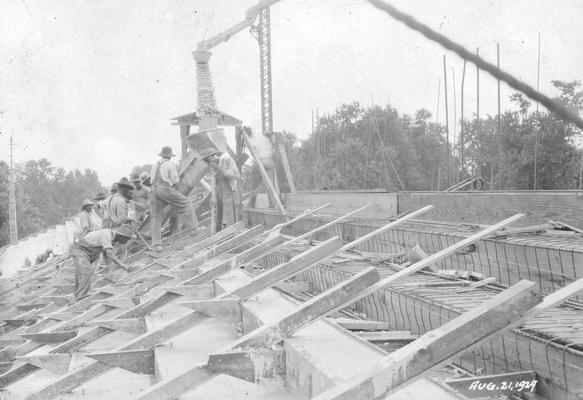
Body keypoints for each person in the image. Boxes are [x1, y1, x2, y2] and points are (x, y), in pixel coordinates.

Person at [69, 224, 134, 301]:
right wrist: (123, 266)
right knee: (87, 272)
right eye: (126, 239)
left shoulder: (110, 237)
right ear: (121, 236)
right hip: (79, 250)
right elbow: (109, 254)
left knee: (80, 274)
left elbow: (106, 255)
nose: (124, 242)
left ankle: (76, 295)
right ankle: (80, 298)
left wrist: (110, 270)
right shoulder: (107, 235)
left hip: (85, 252)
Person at [150, 146, 197, 247]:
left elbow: (152, 180)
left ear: (162, 155)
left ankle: (156, 244)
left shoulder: (155, 165)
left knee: (156, 217)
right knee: (186, 203)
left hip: (154, 190)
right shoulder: (170, 164)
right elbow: (175, 181)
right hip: (164, 189)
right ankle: (193, 229)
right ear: (170, 156)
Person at [207, 152, 241, 229]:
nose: (211, 166)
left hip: (229, 197)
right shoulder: (214, 168)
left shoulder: (228, 161)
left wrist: (224, 171)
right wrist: (213, 198)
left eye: (212, 165)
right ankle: (220, 234)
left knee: (229, 221)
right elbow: (214, 183)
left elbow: (237, 176)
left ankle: (229, 235)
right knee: (219, 220)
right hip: (220, 198)